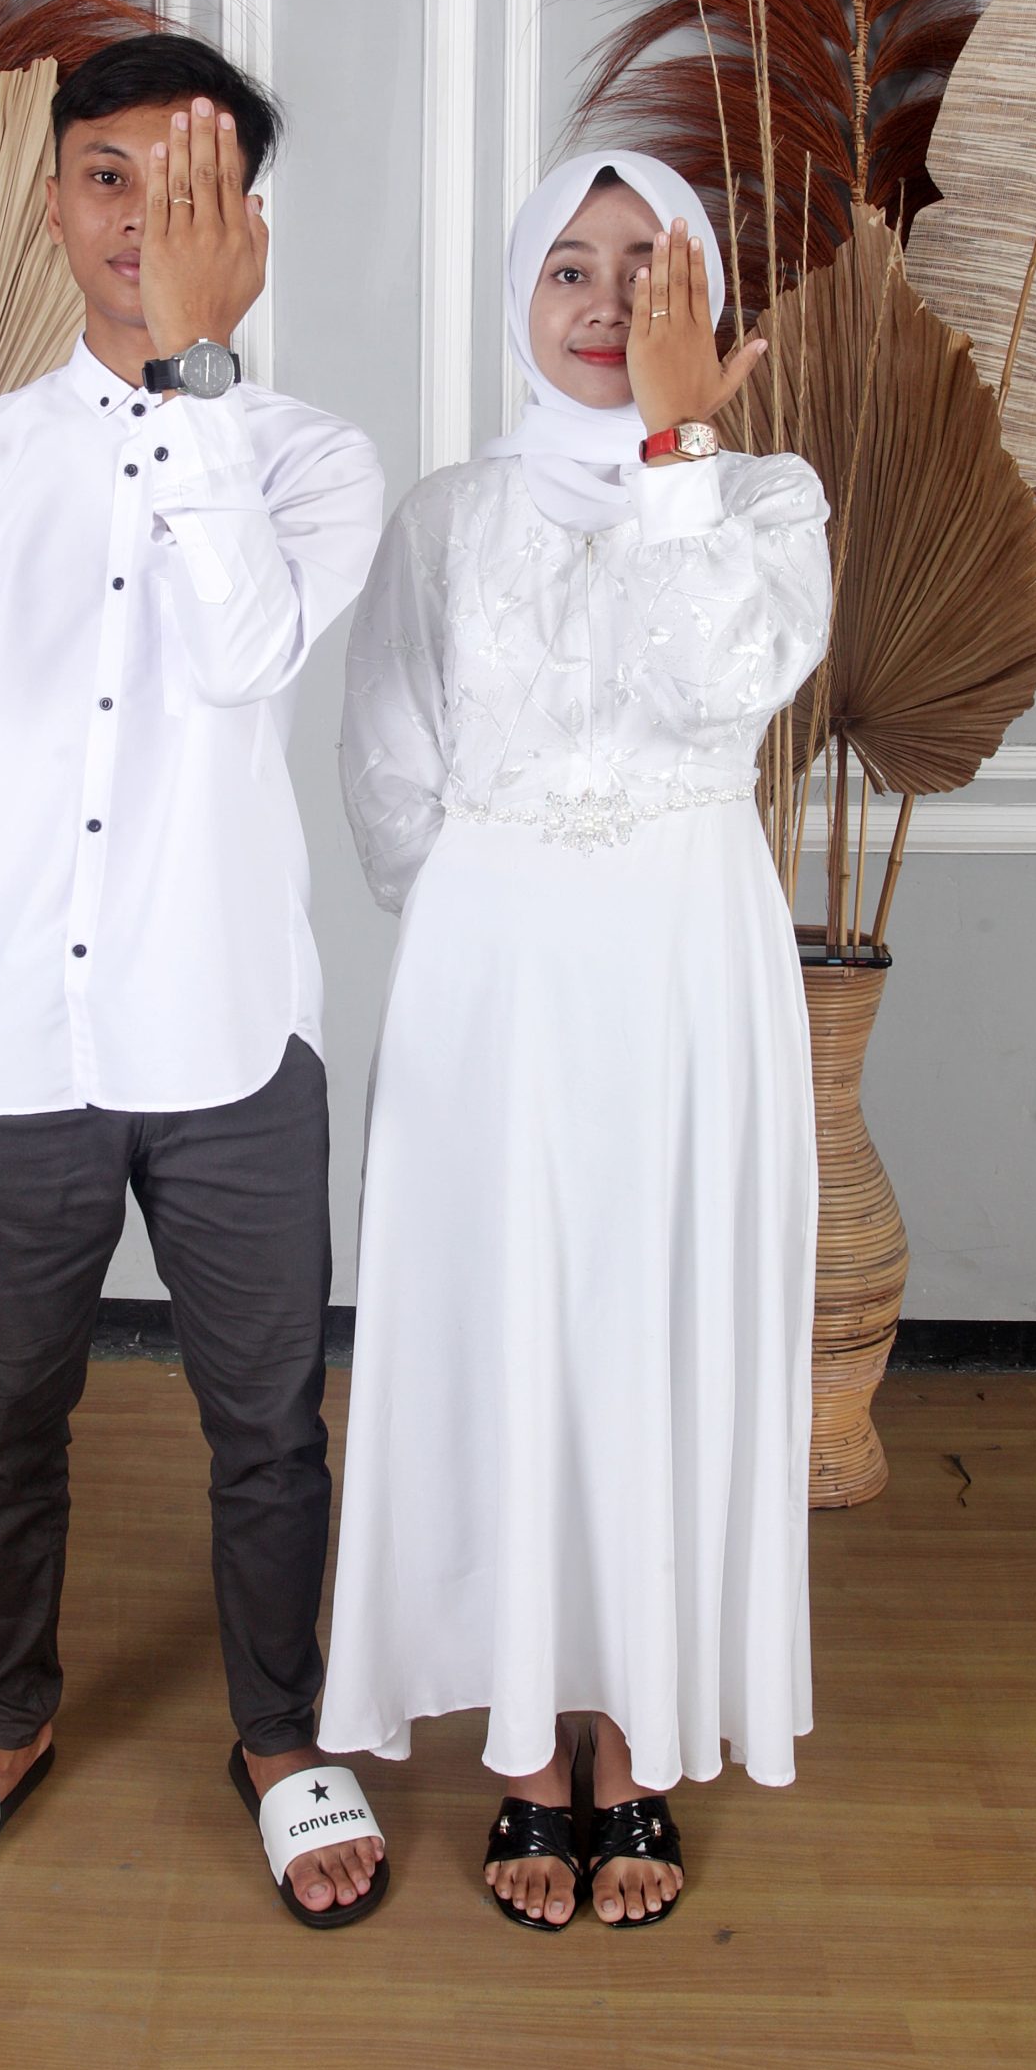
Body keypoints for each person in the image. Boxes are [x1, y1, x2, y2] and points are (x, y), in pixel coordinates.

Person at [0, 34, 389, 1929]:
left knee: (270, 1426)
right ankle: (2, 1721)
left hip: (229, 1031)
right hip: (21, 1034)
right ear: (54, 199)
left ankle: (280, 1736)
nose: (142, 218)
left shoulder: (313, 459)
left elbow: (244, 657)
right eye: (110, 174)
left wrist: (194, 384)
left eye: (189, 185)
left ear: (245, 222)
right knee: (3, 1420)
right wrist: (21, 938)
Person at [319, 151, 830, 1929]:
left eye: (648, 267)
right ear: (519, 295)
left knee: (661, 1314)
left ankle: (637, 1737)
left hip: (690, 976)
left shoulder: (766, 500)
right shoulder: (448, 518)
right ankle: (529, 1752)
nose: (608, 304)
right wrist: (492, 905)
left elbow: (723, 684)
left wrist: (681, 449)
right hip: (497, 988)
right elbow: (386, 762)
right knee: (508, 1325)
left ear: (703, 297)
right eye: (570, 267)